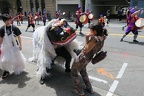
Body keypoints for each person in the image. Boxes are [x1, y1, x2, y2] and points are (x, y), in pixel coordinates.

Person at [71, 22, 108, 96]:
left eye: (91, 30)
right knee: (83, 72)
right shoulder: (103, 37)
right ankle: (89, 88)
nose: (90, 32)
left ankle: (80, 91)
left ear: (94, 31)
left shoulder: (95, 39)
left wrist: (87, 38)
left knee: (74, 73)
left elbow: (85, 50)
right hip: (89, 58)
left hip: (82, 58)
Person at [0, 14, 26, 79]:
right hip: (6, 47)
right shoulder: (2, 29)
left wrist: (20, 45)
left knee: (17, 59)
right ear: (3, 21)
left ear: (10, 19)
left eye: (9, 20)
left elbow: (19, 37)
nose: (8, 22)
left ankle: (18, 68)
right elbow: (1, 38)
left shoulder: (15, 28)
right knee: (6, 60)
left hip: (14, 47)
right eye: (6, 20)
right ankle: (6, 71)